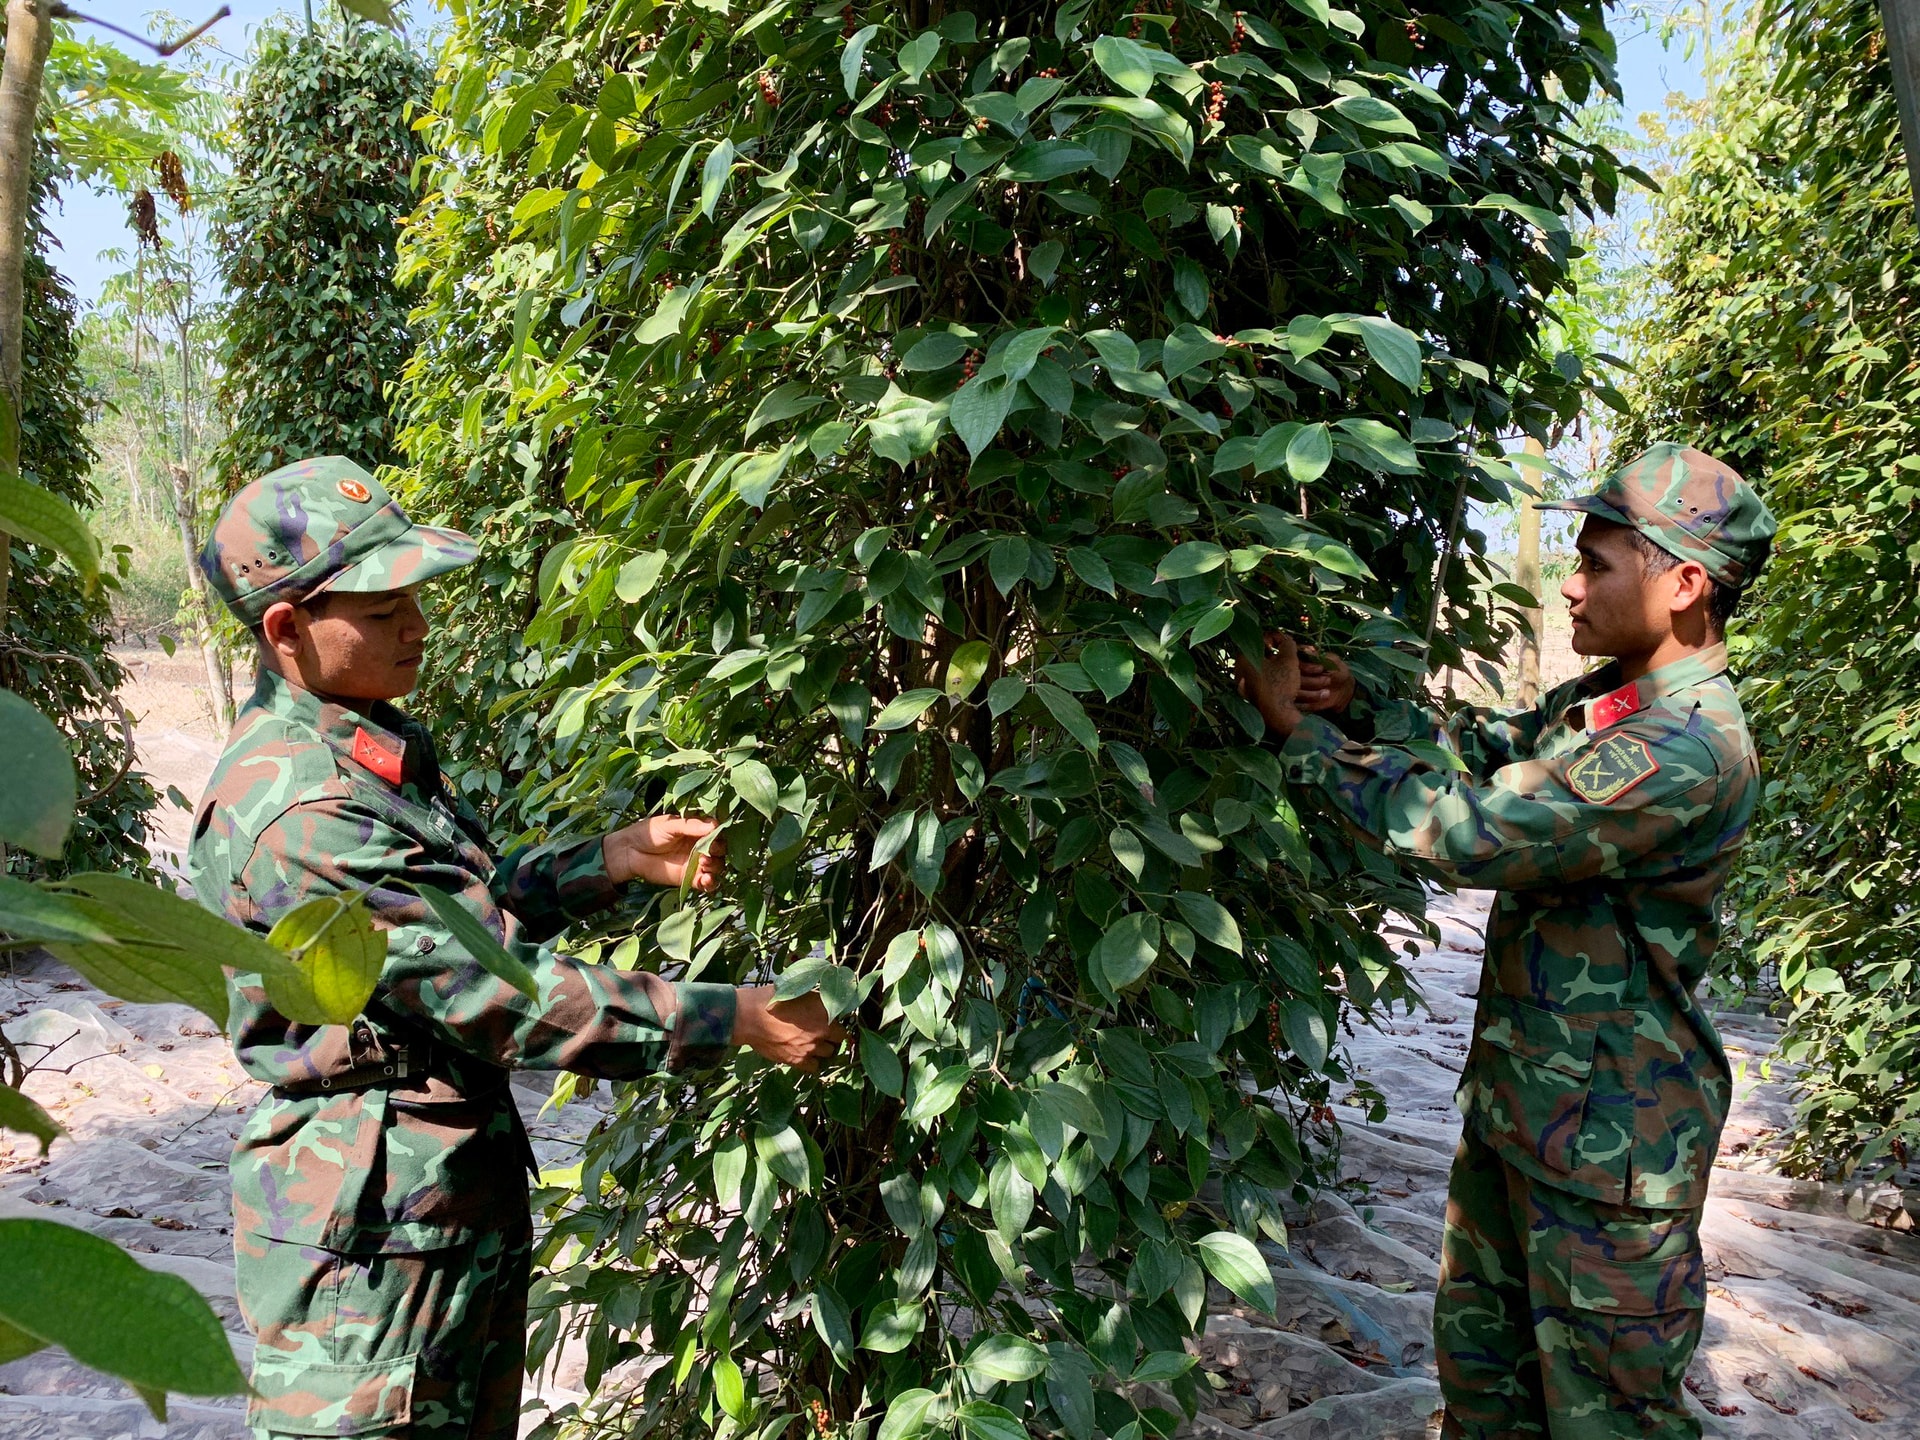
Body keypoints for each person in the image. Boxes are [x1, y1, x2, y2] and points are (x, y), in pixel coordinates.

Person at [186, 455, 845, 1439]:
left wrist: (607, 860)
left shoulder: (359, 749)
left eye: (412, 594)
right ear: (285, 631)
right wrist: (736, 1019)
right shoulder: (302, 810)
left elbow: (449, 915)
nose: (416, 624)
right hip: (370, 1251)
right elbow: (495, 993)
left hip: (433, 1210)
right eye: (380, 608)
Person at [1237, 443, 1776, 1439]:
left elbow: (1482, 830)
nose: (1570, 588)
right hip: (1531, 1117)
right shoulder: (1612, 702)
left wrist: (1306, 741)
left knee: (1606, 1417)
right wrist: (1361, 705)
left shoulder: (1689, 746)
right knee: (1489, 1393)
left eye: (1599, 565)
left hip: (1614, 1156)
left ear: (1686, 583)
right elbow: (1490, 750)